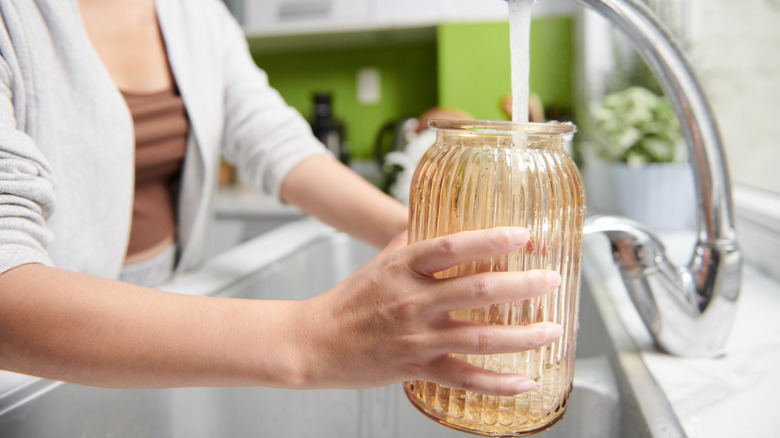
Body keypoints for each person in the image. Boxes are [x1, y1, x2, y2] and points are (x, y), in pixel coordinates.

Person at [0, 0, 562, 396]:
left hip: (166, 322)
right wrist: (309, 339)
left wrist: (430, 237)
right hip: (37, 356)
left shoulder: (194, 14)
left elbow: (278, 145)